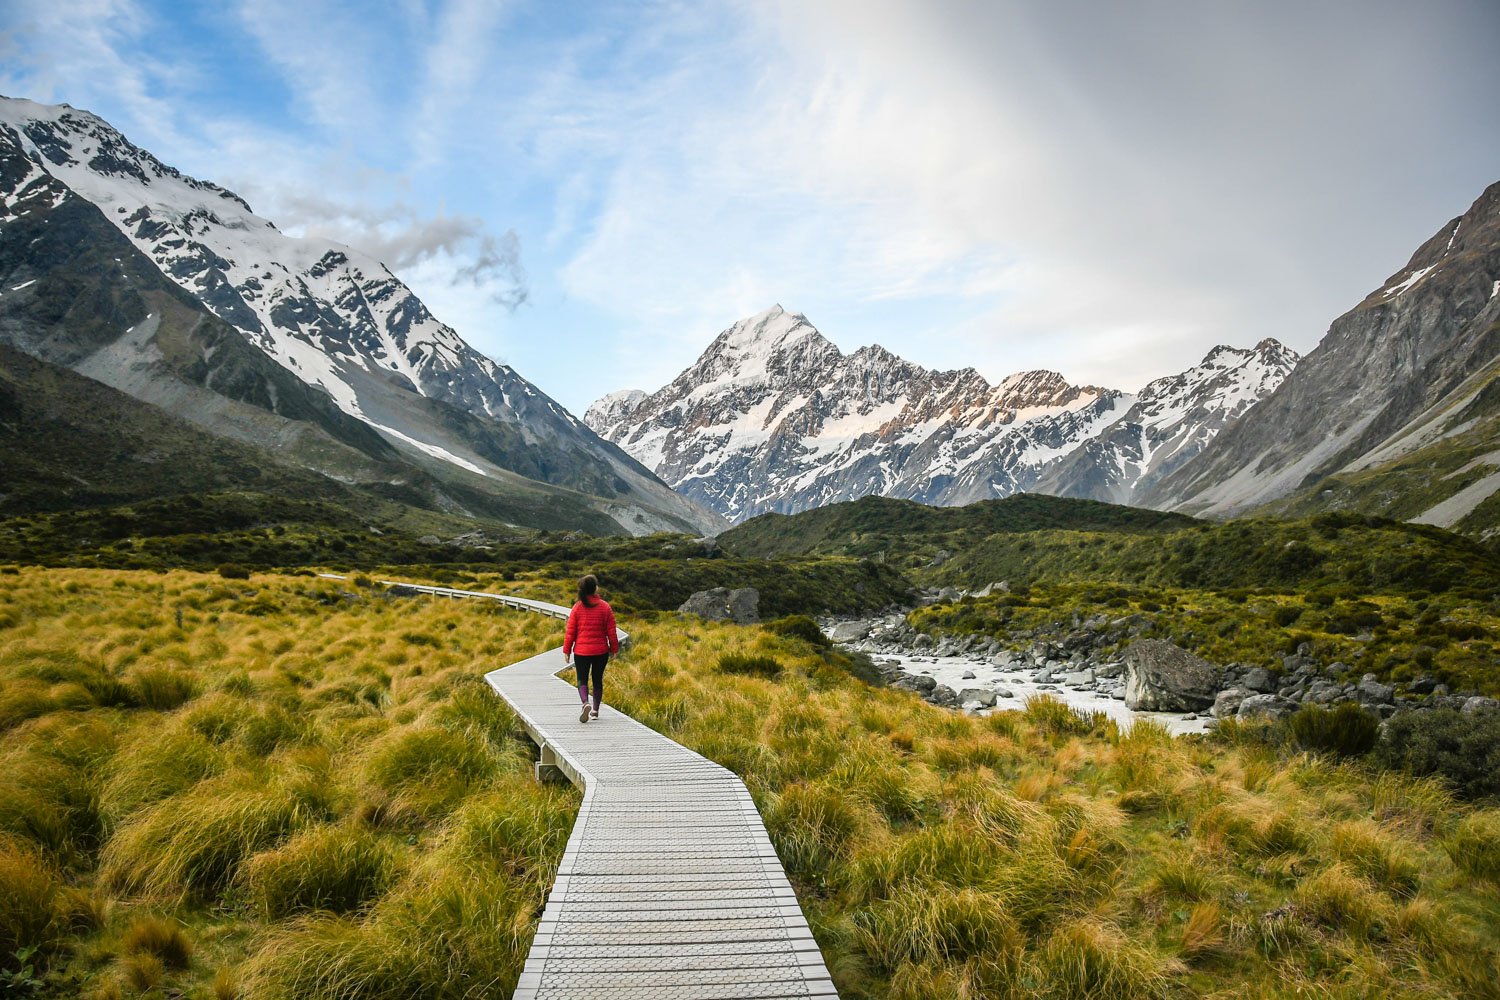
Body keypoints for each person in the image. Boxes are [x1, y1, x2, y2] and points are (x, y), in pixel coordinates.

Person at [563, 574, 619, 723]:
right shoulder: (605, 607)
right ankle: (594, 711)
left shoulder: (577, 607)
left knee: (582, 679)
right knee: (597, 680)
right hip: (600, 651)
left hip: (581, 651)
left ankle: (585, 703)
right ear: (594, 588)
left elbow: (570, 632)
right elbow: (611, 631)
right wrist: (614, 649)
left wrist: (567, 650)